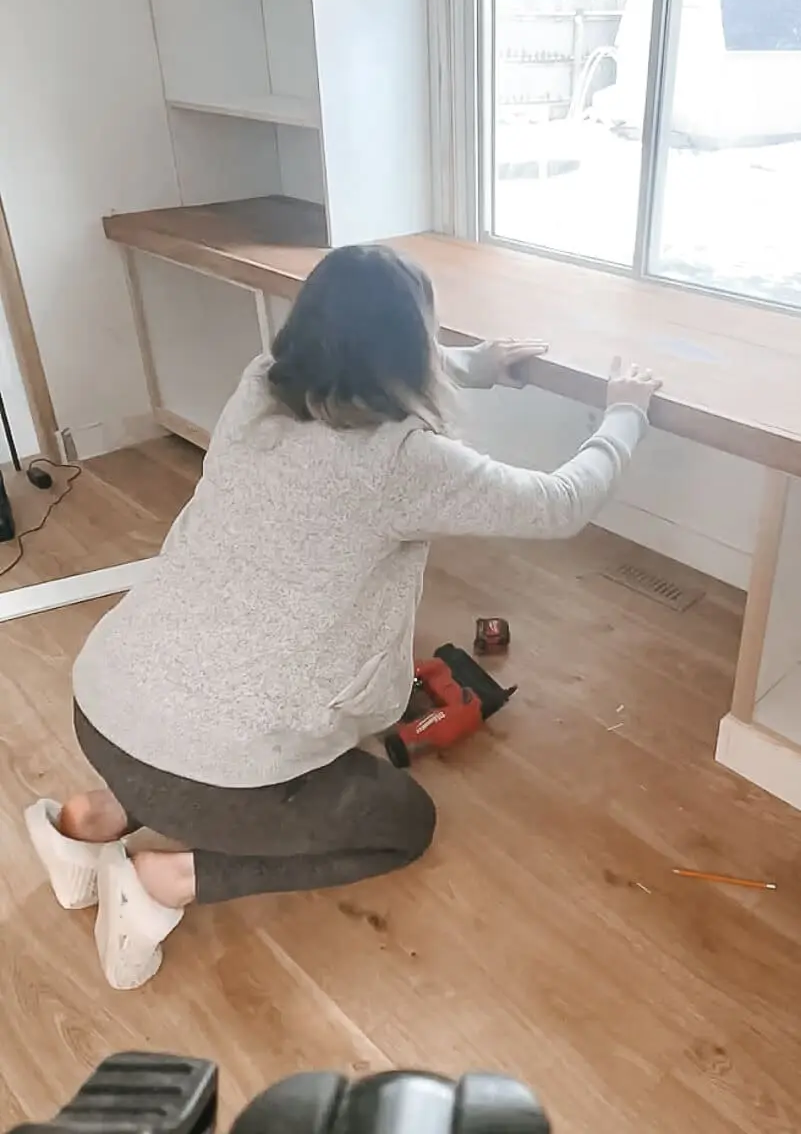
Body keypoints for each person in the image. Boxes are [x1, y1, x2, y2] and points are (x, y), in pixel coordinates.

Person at [24, 245, 660, 990]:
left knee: (201, 728)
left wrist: (477, 362)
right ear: (409, 349)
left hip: (102, 708)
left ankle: (89, 818)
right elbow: (561, 504)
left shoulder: (257, 390)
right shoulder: (402, 462)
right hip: (207, 772)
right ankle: (168, 879)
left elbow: (350, 351)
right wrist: (625, 414)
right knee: (401, 823)